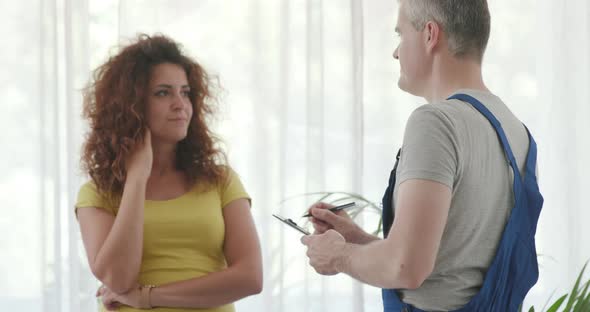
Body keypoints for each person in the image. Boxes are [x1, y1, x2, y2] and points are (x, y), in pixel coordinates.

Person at [301, 1, 543, 311]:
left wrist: (337, 255)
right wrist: (355, 238)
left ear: (430, 34)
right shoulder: (517, 132)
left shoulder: (436, 122)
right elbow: (450, 269)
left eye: (400, 33)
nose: (396, 52)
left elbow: (406, 267)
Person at [75, 34, 262, 312]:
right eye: (163, 92)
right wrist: (137, 177)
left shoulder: (220, 181)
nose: (180, 104)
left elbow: (249, 278)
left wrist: (148, 297)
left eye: (185, 92)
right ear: (132, 105)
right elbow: (117, 278)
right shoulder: (98, 192)